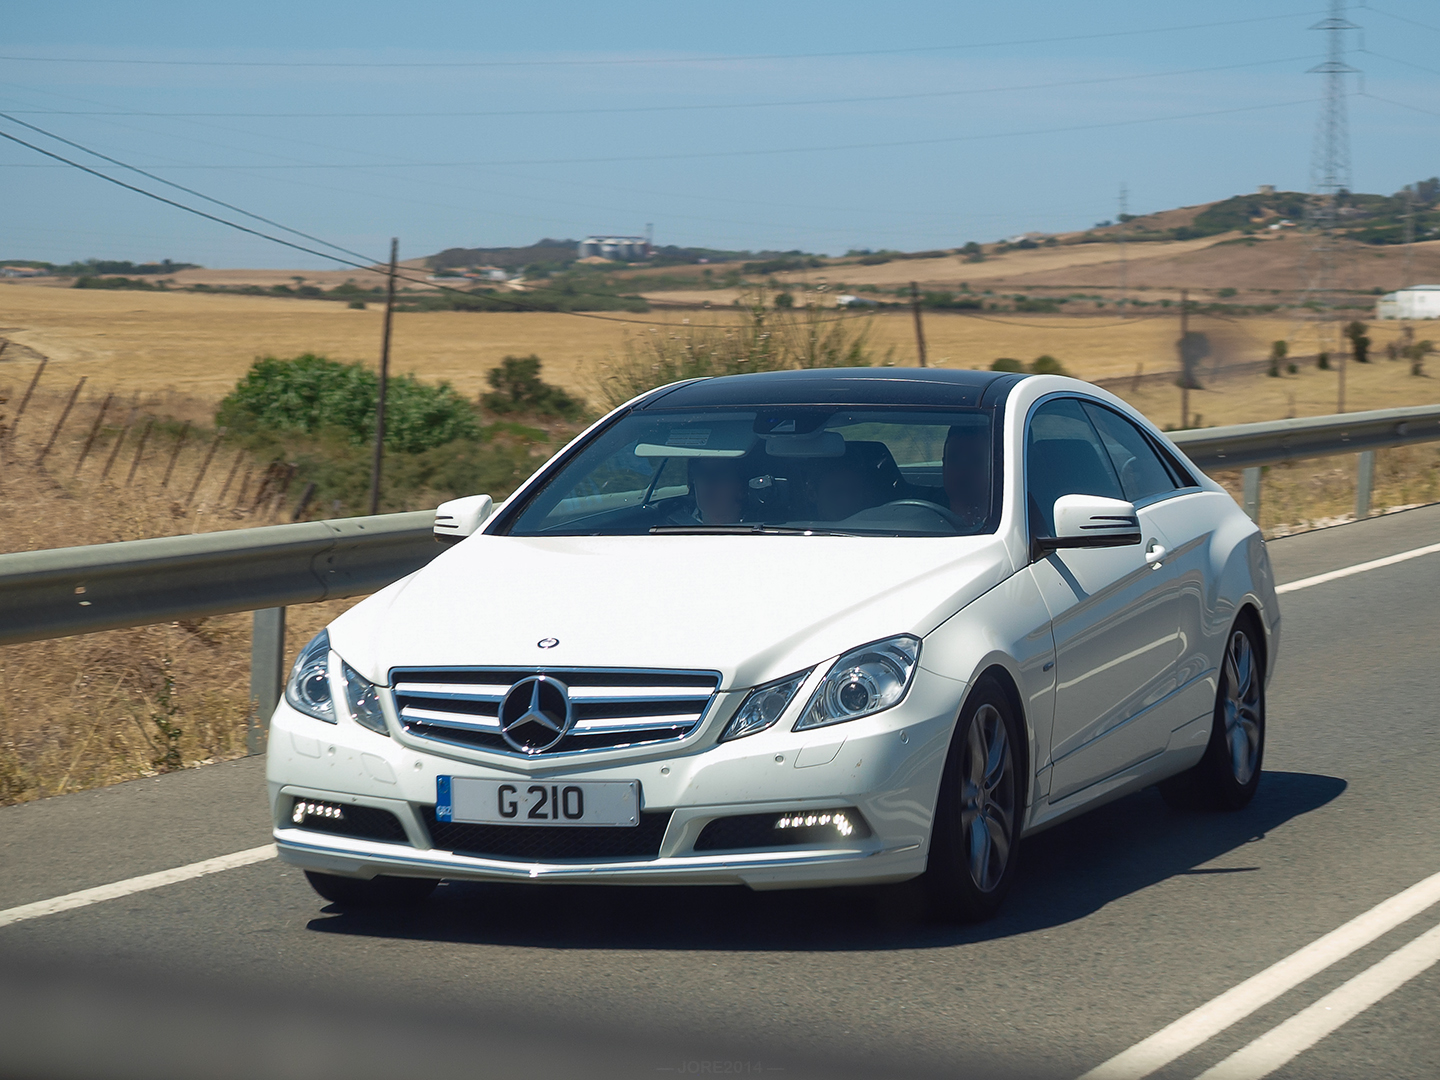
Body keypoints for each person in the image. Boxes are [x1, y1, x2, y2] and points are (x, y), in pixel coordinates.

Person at [942, 424, 991, 528]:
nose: (963, 470)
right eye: (954, 460)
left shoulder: (1015, 508)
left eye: (975, 461)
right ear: (944, 465)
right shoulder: (921, 514)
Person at [688, 455, 747, 524]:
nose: (709, 481)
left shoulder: (758, 531)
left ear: (741, 488)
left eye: (720, 472)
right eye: (701, 472)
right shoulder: (676, 528)